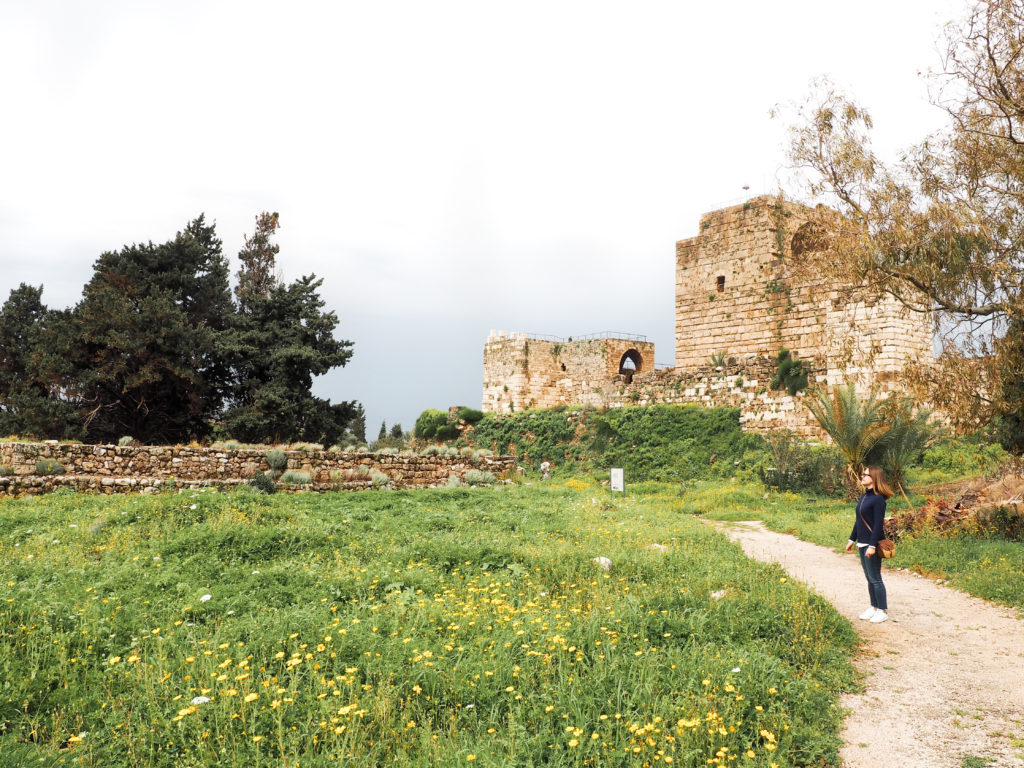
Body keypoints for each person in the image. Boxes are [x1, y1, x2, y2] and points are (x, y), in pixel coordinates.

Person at [845, 465, 894, 623]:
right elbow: (859, 521)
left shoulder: (878, 500)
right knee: (869, 577)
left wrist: (872, 546)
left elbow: (878, 525)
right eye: (862, 474)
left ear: (874, 478)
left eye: (865, 475)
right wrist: (852, 540)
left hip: (871, 544)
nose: (862, 477)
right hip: (862, 543)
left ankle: (882, 610)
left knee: (875, 578)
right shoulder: (864, 496)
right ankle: (874, 607)